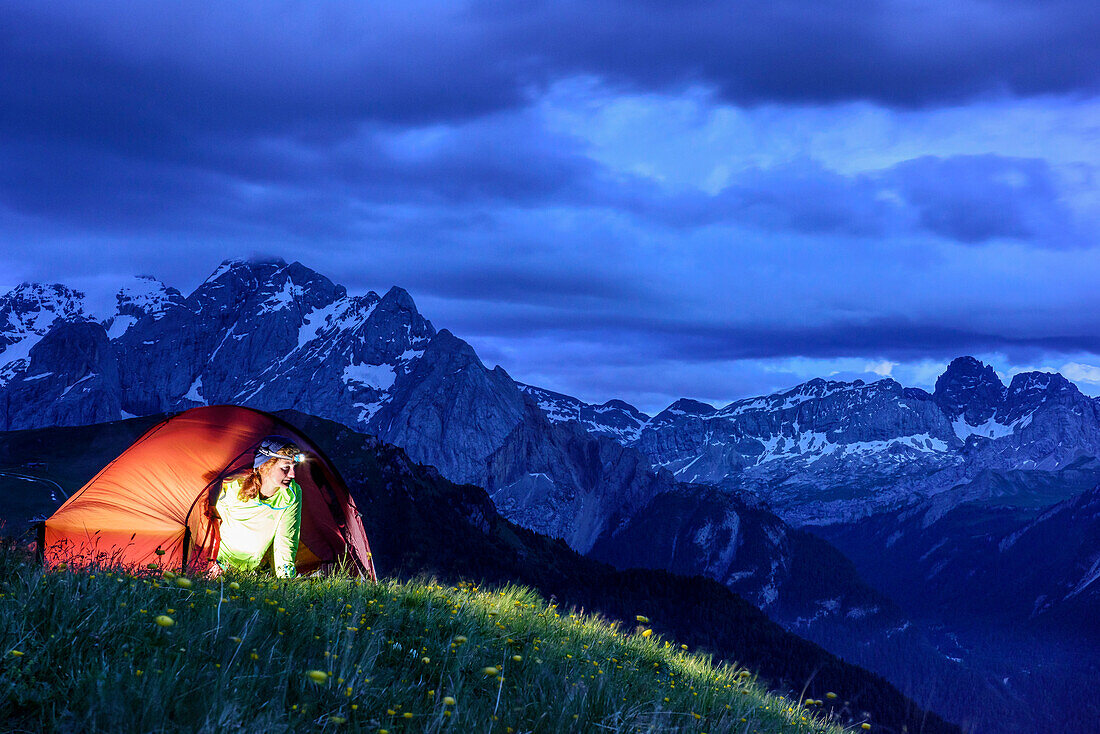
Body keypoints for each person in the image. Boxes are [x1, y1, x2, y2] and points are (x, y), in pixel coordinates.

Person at [215, 436, 304, 578]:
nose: (292, 474)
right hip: (217, 563)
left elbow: (286, 539)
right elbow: (209, 522)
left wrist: (286, 581)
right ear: (264, 466)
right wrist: (208, 560)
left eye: (294, 467)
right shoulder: (233, 487)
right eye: (285, 468)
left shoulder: (291, 494)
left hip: (251, 570)